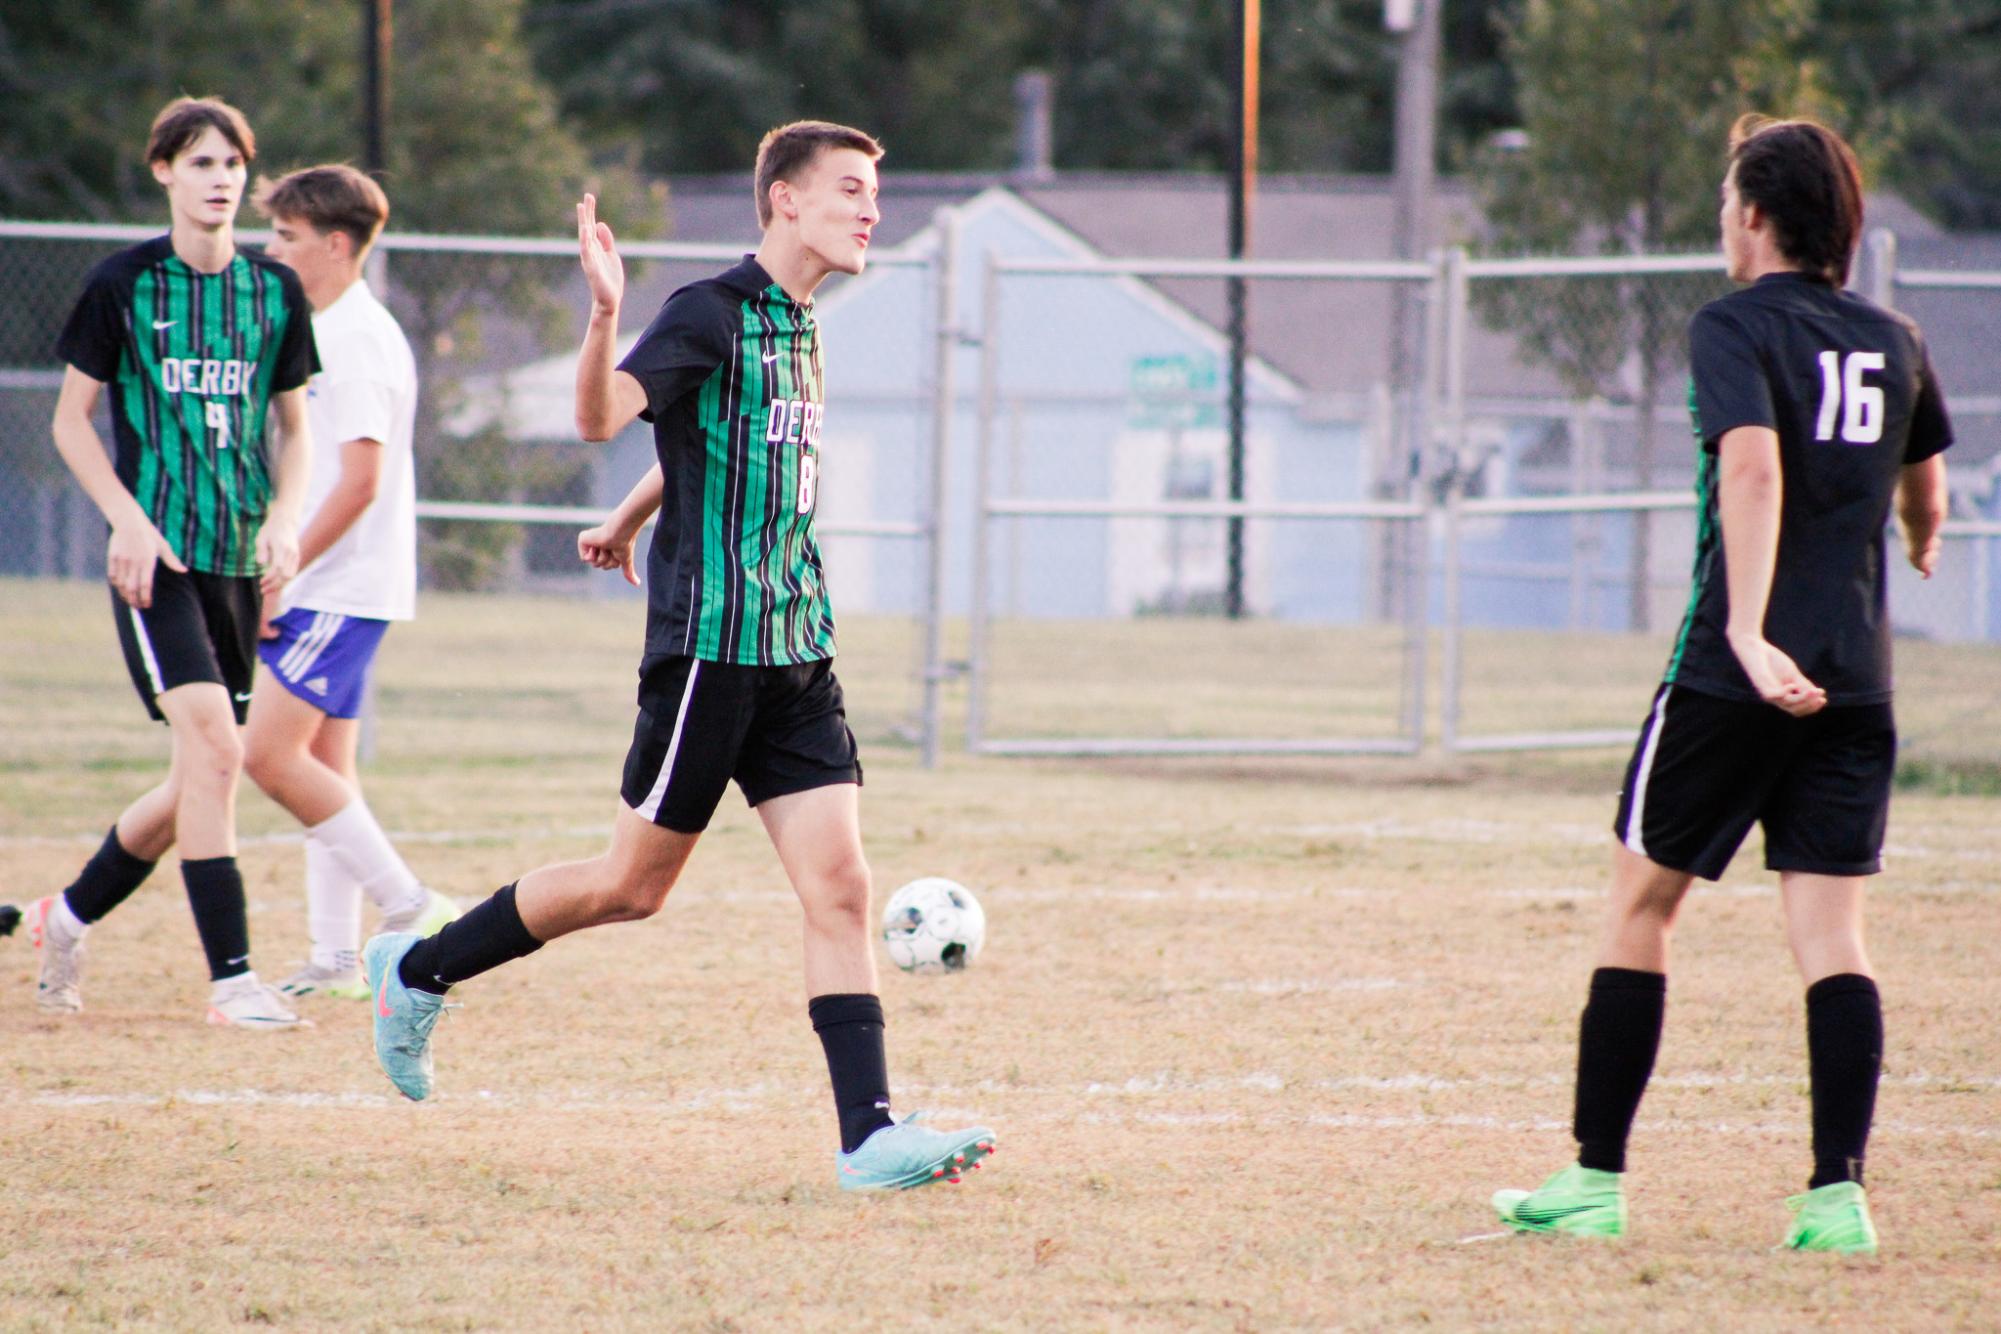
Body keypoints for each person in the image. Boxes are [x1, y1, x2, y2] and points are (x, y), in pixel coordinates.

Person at [361, 121, 997, 1190]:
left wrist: (628, 513)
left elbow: (713, 440)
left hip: (797, 645)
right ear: (785, 201)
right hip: (711, 650)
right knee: (630, 886)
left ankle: (869, 1135)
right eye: (850, 189)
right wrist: (605, 311)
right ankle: (416, 967)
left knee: (840, 885)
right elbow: (605, 412)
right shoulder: (709, 311)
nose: (870, 209)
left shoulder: (804, 325)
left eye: (872, 192)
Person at [1490, 115, 1952, 1254]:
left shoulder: (1732, 324)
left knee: (1640, 908)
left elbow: (1751, 466)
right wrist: (1919, 537)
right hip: (1854, 679)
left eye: (1724, 202)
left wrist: (1747, 630)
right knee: (1833, 938)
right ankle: (1836, 1198)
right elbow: (1925, 482)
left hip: (1731, 675)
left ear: (1756, 215)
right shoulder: (1894, 335)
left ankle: (1595, 1182)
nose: (1719, 223)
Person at [27, 96, 320, 1028]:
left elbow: (296, 428)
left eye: (231, 162)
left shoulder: (274, 293)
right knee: (216, 750)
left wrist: (283, 519)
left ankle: (67, 918)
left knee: (199, 773)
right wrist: (125, 520)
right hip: (154, 562)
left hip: (238, 555)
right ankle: (233, 981)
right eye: (199, 163)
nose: (220, 178)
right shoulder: (123, 284)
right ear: (163, 173)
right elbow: (70, 421)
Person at [241, 164, 460, 1002]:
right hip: (331, 584)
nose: (272, 250)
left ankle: (411, 905)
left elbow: (359, 482)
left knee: (268, 756)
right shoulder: (327, 326)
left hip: (339, 586)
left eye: (287, 237)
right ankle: (335, 957)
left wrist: (280, 568)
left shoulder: (356, 340)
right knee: (324, 764)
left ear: (336, 245)